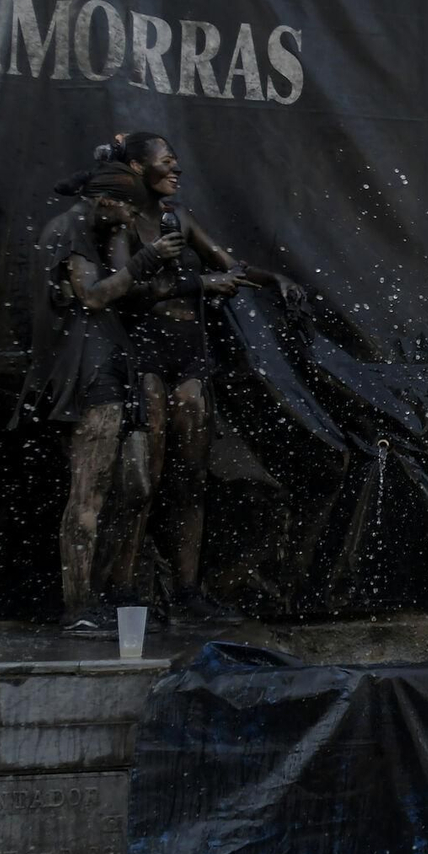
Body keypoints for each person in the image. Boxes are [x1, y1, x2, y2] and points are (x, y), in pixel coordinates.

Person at [99, 132, 306, 623]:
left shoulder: (179, 219)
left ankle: (188, 593)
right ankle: (123, 592)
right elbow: (122, 290)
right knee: (141, 482)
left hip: (189, 357)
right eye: (166, 162)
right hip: (146, 356)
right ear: (137, 169)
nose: (176, 170)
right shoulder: (122, 224)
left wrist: (275, 280)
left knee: (189, 480)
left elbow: (230, 266)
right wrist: (199, 283)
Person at [10, 161, 184, 635]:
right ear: (106, 200)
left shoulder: (98, 230)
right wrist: (145, 260)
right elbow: (91, 297)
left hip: (113, 365)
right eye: (128, 207)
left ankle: (110, 590)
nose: (133, 216)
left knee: (135, 487)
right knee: (88, 495)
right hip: (89, 375)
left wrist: (153, 271)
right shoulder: (67, 232)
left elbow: (126, 291)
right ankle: (79, 606)